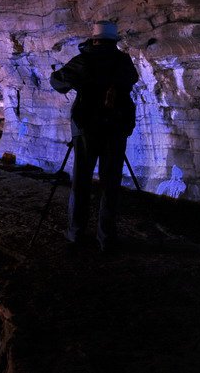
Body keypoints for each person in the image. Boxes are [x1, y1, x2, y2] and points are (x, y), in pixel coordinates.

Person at [50, 21, 139, 251]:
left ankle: (76, 233)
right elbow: (132, 80)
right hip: (116, 127)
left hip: (87, 129)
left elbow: (57, 82)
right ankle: (106, 238)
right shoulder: (123, 61)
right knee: (110, 183)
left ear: (94, 39)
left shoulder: (85, 60)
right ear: (113, 41)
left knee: (81, 181)